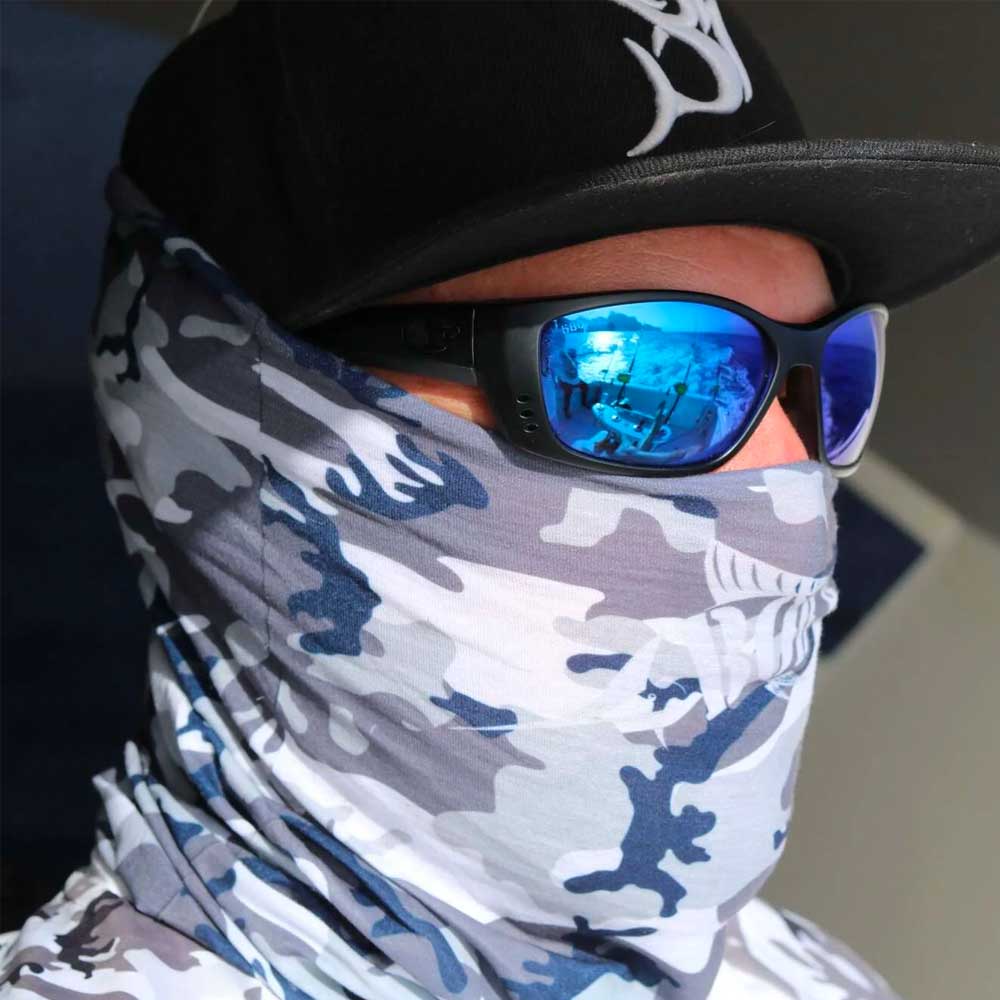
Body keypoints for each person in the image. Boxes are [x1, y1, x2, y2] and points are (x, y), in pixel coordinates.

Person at [3, 3, 998, 999]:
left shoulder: (808, 977)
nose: (789, 476)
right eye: (637, 374)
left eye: (834, 373)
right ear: (230, 405)